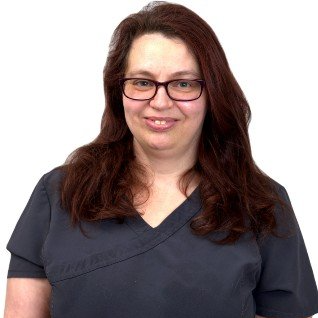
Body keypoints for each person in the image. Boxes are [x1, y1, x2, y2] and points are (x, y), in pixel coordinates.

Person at [4, 1, 318, 317]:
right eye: (142, 82)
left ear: (212, 94)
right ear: (119, 91)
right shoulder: (59, 193)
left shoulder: (262, 204)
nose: (160, 101)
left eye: (183, 83)